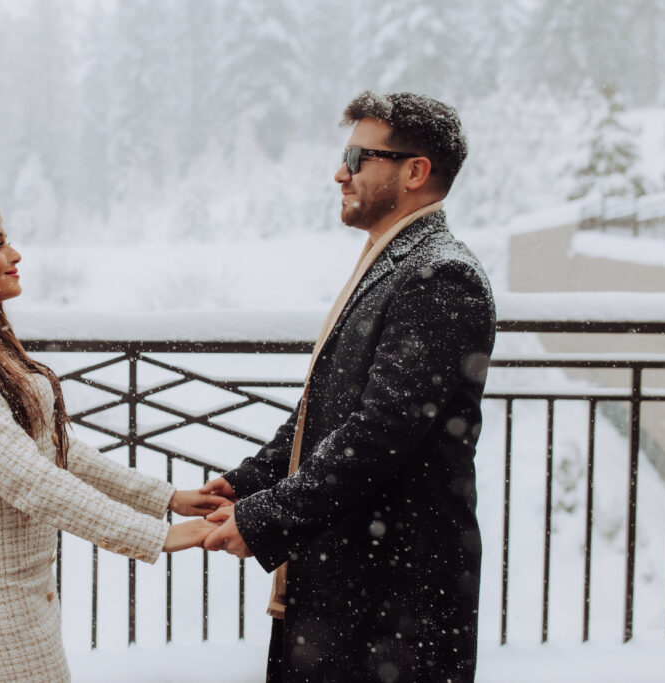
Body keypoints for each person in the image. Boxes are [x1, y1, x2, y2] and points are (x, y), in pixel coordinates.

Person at [201, 92, 496, 682]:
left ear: (414, 172)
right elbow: (325, 410)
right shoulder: (395, 263)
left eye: (358, 157)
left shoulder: (440, 275)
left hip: (393, 596)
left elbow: (379, 433)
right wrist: (247, 482)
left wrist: (267, 518)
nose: (340, 172)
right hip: (355, 579)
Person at [0, 185, 226, 682]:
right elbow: (30, 480)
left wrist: (168, 498)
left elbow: (58, 454)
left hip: (21, 583)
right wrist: (157, 536)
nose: (14, 254)